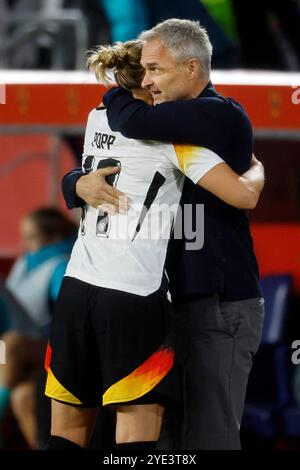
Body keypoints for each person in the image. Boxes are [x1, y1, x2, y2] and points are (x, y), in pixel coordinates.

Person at [46, 38, 264, 451]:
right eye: (147, 72)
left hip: (86, 292)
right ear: (143, 85)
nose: (153, 80)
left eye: (158, 70)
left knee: (68, 439)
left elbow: (116, 134)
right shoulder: (172, 138)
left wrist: (74, 182)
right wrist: (257, 171)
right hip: (139, 298)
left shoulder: (102, 116)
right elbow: (244, 195)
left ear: (192, 68)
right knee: (145, 445)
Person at [0, 207, 75, 448]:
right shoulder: (25, 265)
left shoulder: (61, 265)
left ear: (53, 237)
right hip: (27, 352)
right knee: (22, 395)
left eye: (32, 237)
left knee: (10, 346)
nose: (26, 244)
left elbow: (69, 315)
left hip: (54, 346)